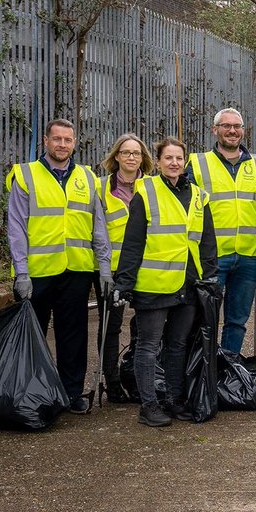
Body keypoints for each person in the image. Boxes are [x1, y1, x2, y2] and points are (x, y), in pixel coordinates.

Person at [6, 119, 111, 415]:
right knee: (32, 336)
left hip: (76, 271)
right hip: (37, 273)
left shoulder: (88, 178)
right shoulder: (27, 176)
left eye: (67, 139)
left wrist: (104, 269)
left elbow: (98, 228)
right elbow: (16, 227)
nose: (62, 145)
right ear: (45, 141)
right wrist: (21, 272)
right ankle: (30, 393)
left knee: (73, 336)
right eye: (57, 139)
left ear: (75, 142)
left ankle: (70, 393)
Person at [114, 137, 217, 427]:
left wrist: (210, 273)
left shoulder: (198, 195)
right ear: (158, 162)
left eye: (179, 158)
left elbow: (206, 240)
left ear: (185, 162)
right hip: (154, 284)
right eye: (168, 158)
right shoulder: (146, 192)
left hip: (187, 282)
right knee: (148, 345)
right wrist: (125, 282)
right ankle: (149, 405)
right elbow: (133, 241)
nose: (174, 163)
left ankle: (173, 399)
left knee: (177, 344)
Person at [187, 107, 256, 354]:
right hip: (212, 258)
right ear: (215, 130)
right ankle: (206, 376)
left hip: (248, 257)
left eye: (237, 126)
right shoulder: (198, 163)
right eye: (226, 126)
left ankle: (229, 371)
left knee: (237, 322)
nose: (232, 131)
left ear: (243, 131)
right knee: (205, 321)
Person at [95, 133, 153, 404]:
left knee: (146, 326)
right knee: (110, 327)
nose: (132, 157)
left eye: (137, 153)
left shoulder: (153, 187)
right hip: (113, 270)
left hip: (149, 267)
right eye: (127, 152)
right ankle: (113, 383)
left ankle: (141, 380)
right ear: (116, 156)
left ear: (144, 159)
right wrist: (104, 270)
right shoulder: (100, 188)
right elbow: (97, 232)